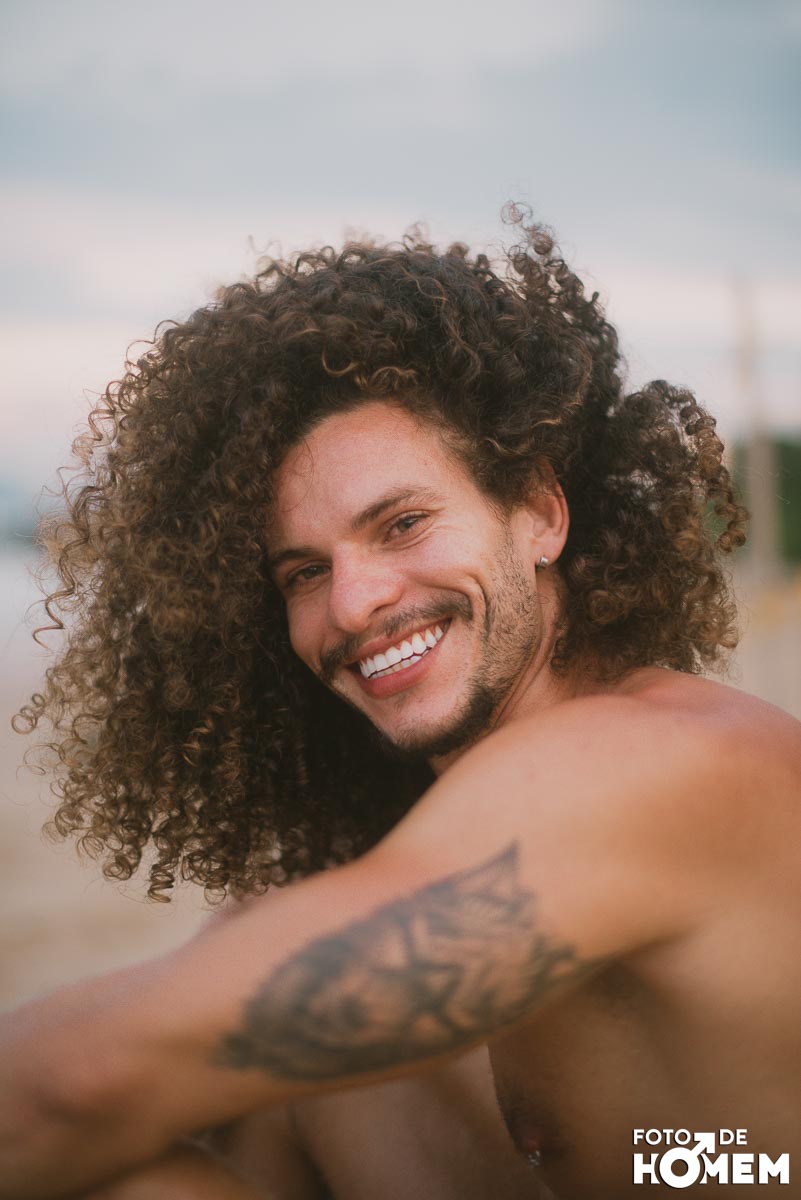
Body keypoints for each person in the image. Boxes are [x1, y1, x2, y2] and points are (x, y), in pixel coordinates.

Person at [3, 214, 799, 1200]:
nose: (352, 604)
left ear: (540, 511)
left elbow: (73, 1086)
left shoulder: (655, 765)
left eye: (404, 523)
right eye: (303, 572)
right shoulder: (382, 880)